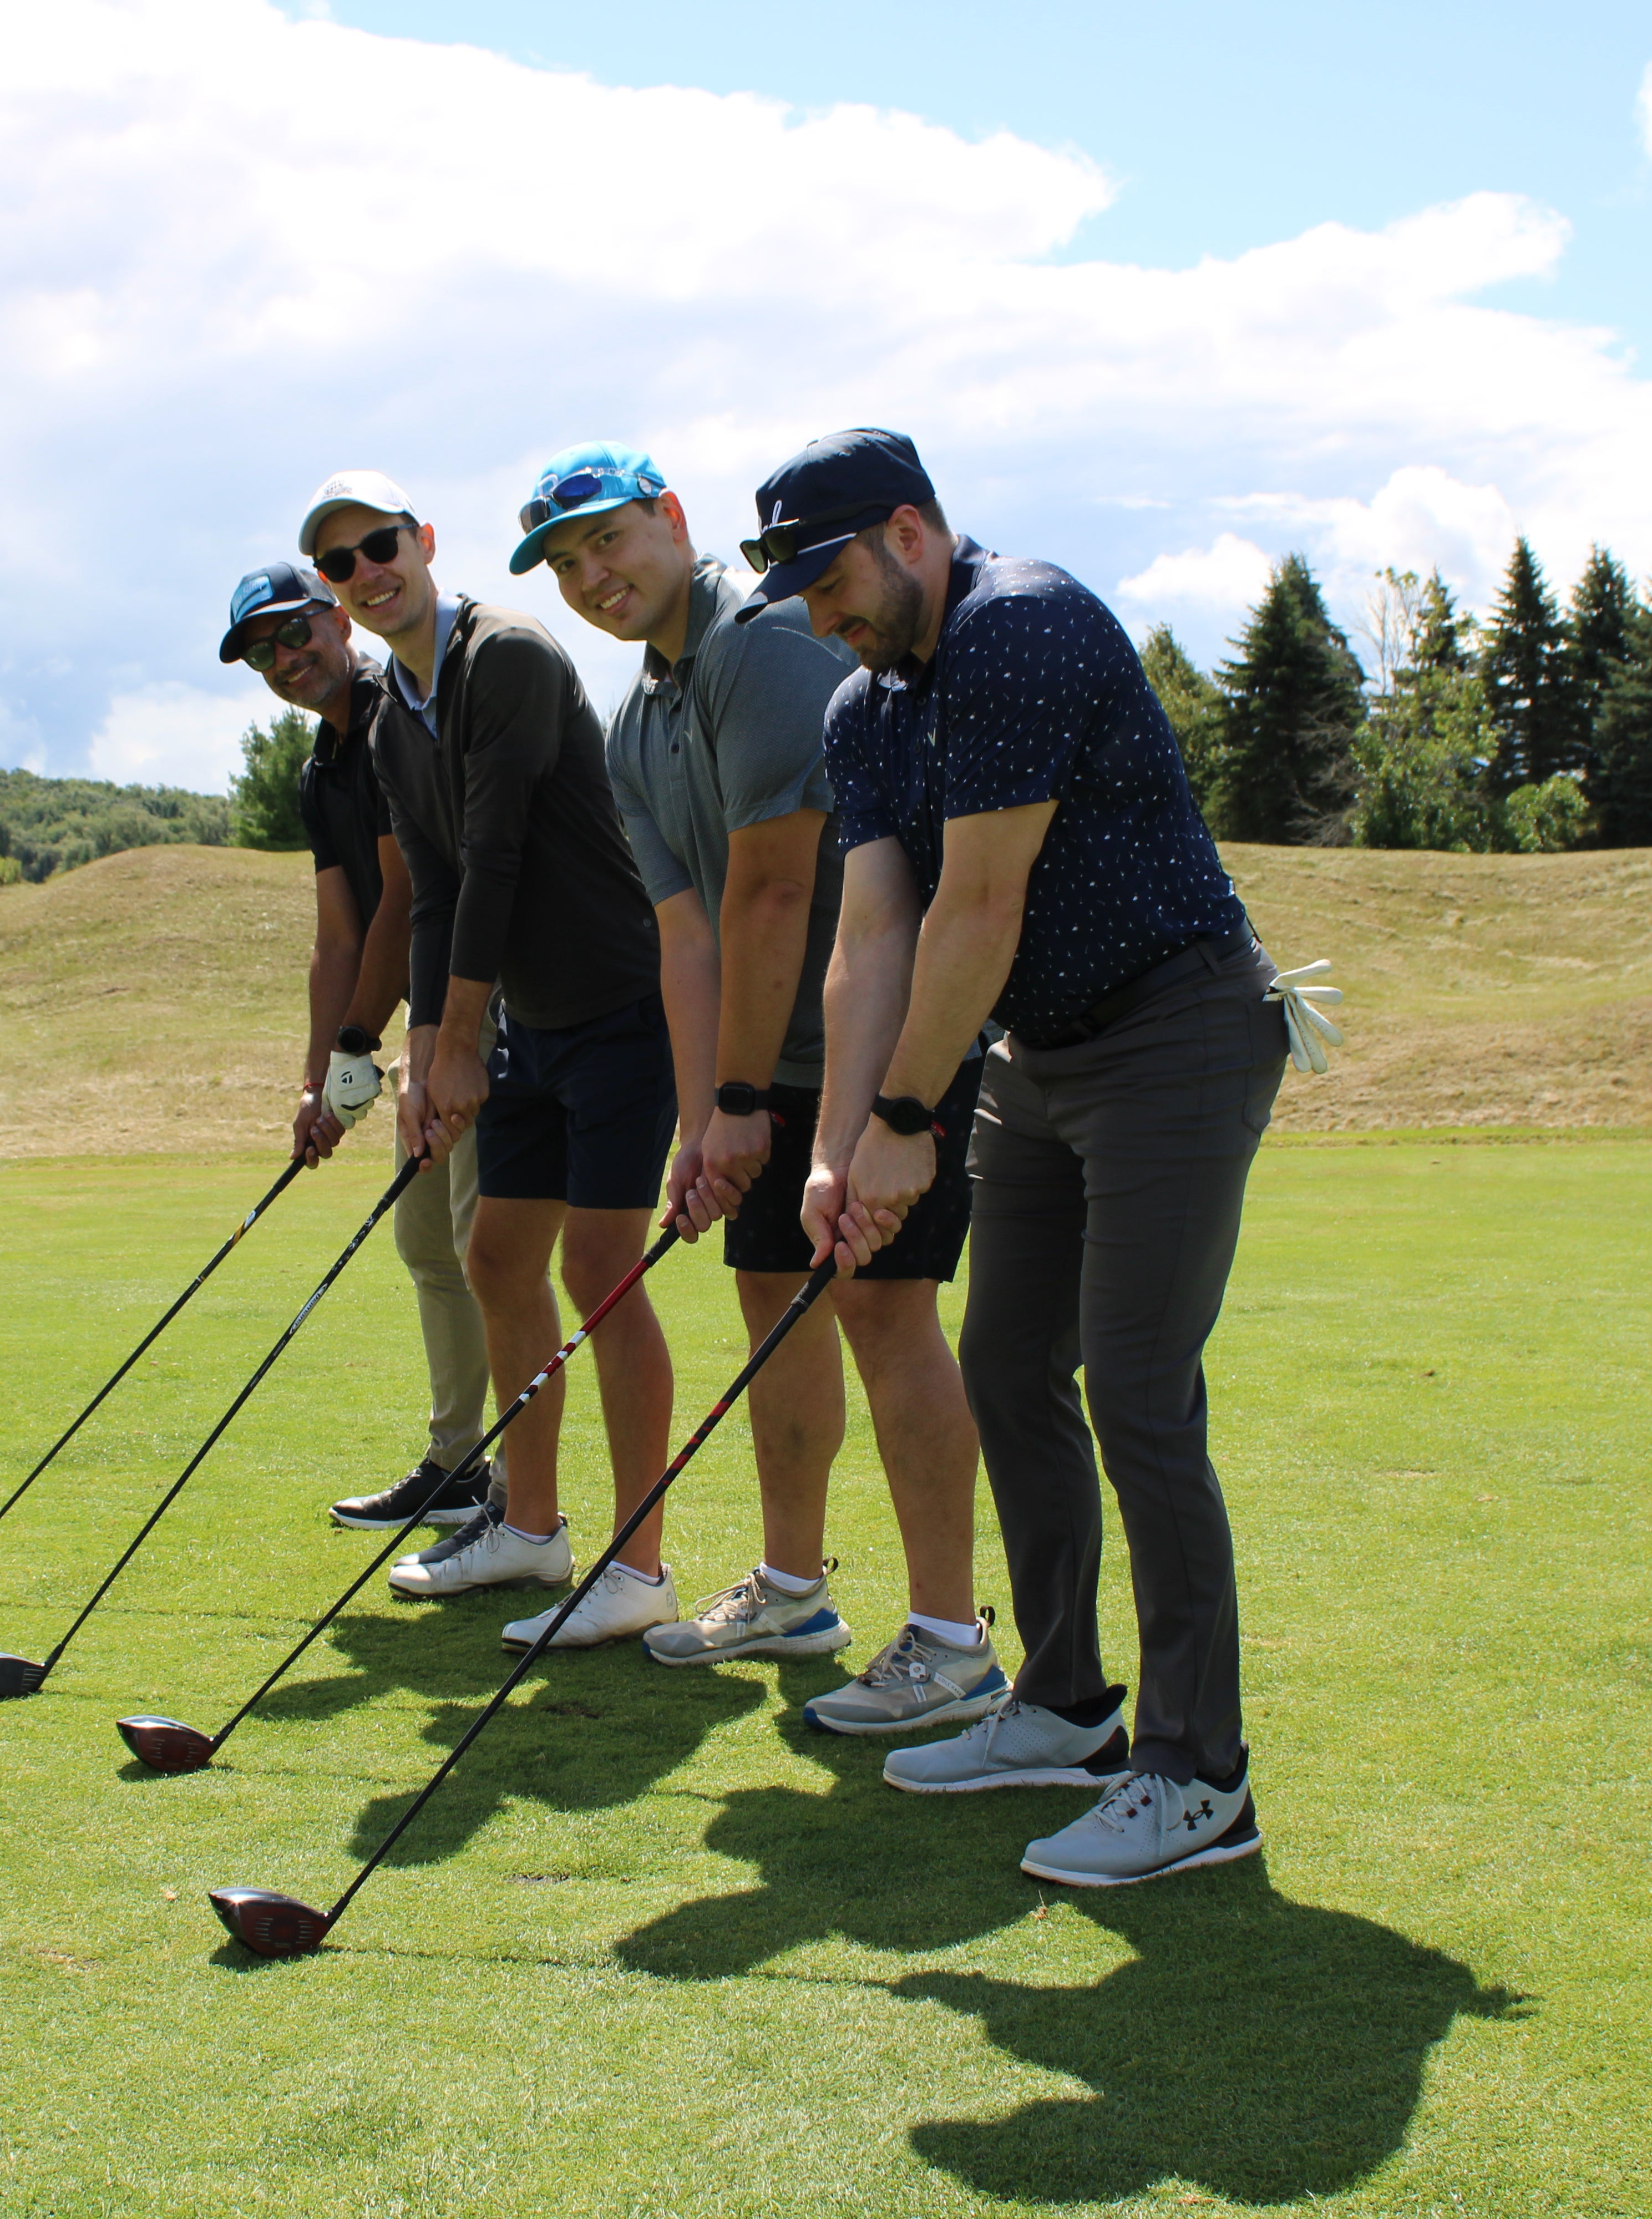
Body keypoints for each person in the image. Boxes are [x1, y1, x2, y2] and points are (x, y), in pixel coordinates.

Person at [748, 427, 1285, 1886]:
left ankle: (1199, 1775)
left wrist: (909, 1127)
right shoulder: (866, 709)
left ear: (911, 533)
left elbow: (977, 913)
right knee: (1005, 1367)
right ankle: (1061, 1704)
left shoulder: (1023, 626)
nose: (822, 616)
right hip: (1039, 1059)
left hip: (1177, 1026)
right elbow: (872, 940)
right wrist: (840, 1148)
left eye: (832, 577)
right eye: (797, 591)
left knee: (1139, 1390)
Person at [511, 442, 1007, 1736]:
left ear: (674, 520)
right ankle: (795, 1587)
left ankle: (951, 1635)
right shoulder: (637, 724)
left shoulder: (766, 641)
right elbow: (687, 932)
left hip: (895, 1042)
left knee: (884, 1310)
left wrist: (739, 1095)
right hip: (766, 1068)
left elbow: (779, 885)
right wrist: (707, 1119)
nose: (592, 574)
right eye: (566, 563)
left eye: (609, 540)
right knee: (768, 1298)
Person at [296, 470, 683, 1650]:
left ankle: (638, 1564)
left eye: (379, 547)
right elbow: (430, 882)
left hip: (623, 1004)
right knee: (496, 1256)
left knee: (601, 1267)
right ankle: (530, 1526)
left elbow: (500, 857)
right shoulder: (394, 714)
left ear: (422, 541)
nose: (367, 575)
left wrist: (459, 1035)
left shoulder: (503, 654)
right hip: (530, 1023)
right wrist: (425, 1050)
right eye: (341, 566)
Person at [216, 560, 498, 1531]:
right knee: (429, 1241)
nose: (286, 660)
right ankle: (463, 1469)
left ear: (338, 621)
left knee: (477, 1243)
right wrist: (318, 1084)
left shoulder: (391, 723)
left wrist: (356, 1050)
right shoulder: (320, 770)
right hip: (419, 1021)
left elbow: (407, 900)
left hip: (479, 1006)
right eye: (263, 653)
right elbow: (340, 932)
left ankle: (507, 1492)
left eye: (296, 634)